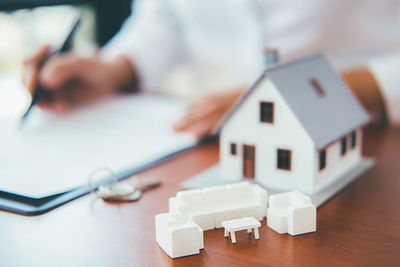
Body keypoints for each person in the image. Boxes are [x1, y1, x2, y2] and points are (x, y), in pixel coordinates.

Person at [24, 0, 400, 140]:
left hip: (378, 135)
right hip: (208, 136)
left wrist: (313, 95)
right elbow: (165, 15)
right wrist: (118, 66)